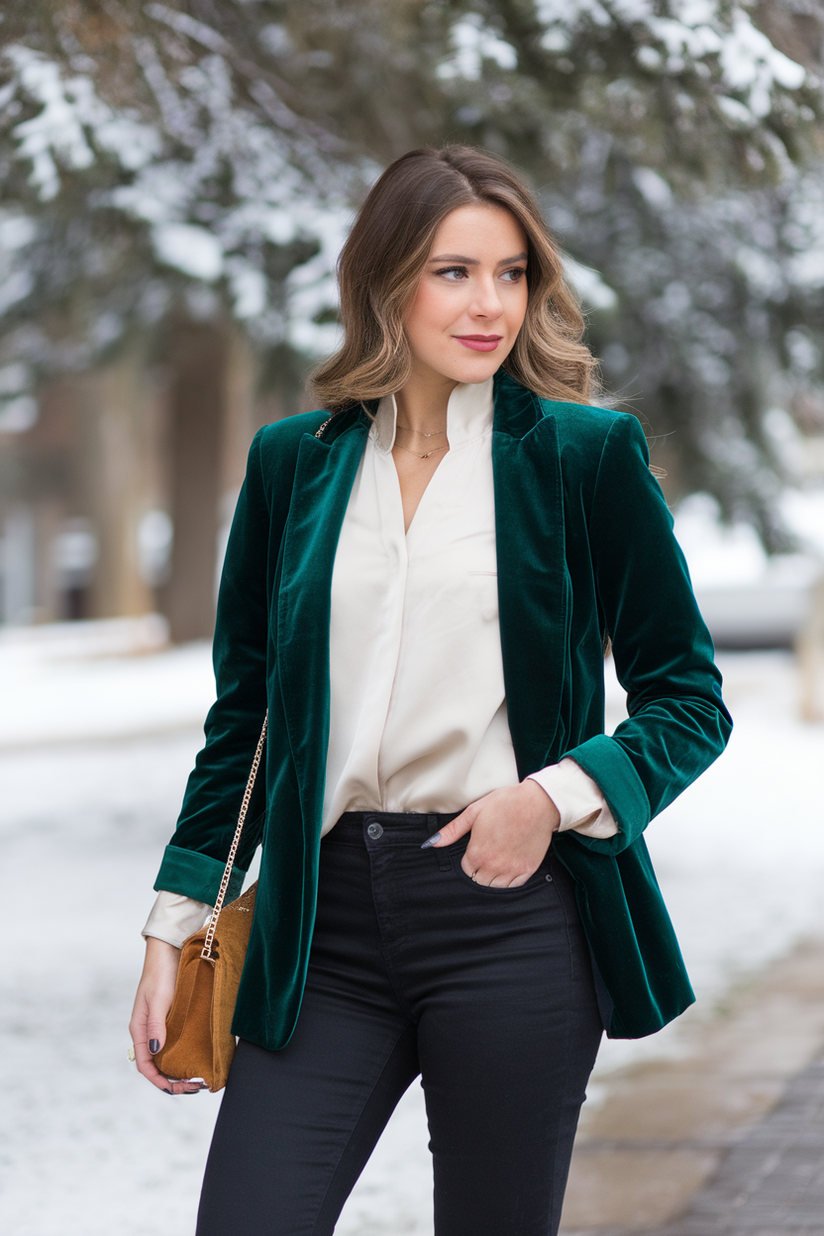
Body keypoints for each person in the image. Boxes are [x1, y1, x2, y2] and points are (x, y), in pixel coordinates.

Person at [130, 145, 732, 1236]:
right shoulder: (291, 465)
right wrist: (175, 924)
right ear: (383, 280)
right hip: (324, 927)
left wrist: (548, 798)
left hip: (511, 921)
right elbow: (247, 717)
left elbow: (687, 697)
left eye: (510, 274)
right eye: (453, 271)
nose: (487, 304)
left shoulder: (581, 457)